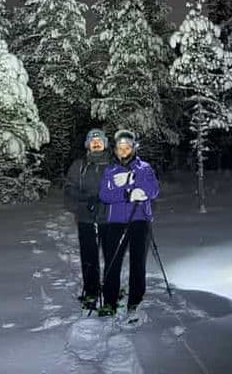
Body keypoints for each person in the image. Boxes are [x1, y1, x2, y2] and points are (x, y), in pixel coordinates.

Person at [98, 129, 160, 321]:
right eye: (120, 148)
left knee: (137, 261)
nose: (123, 151)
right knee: (113, 260)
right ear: (115, 150)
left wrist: (137, 187)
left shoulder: (144, 168)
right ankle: (110, 300)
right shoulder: (110, 170)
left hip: (139, 220)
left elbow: (153, 189)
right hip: (116, 221)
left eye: (127, 148)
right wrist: (126, 193)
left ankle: (135, 299)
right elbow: (104, 195)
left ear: (133, 148)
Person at [63, 128, 111, 310]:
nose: (96, 143)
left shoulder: (114, 164)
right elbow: (69, 190)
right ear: (87, 145)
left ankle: (110, 290)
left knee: (112, 255)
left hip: (110, 218)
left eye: (99, 140)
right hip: (87, 219)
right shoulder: (79, 165)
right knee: (89, 256)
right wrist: (85, 201)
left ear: (105, 143)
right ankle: (91, 291)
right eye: (93, 141)